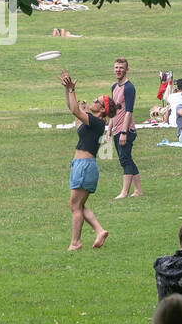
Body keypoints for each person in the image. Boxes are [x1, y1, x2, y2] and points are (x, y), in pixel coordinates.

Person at [60, 71, 112, 250]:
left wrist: (73, 89)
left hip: (84, 166)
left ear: (103, 109)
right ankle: (99, 230)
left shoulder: (97, 123)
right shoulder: (92, 122)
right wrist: (68, 90)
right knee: (78, 205)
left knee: (75, 206)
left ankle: (76, 242)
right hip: (82, 166)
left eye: (97, 101)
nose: (94, 101)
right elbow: (73, 109)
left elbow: (76, 109)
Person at [110, 58, 143, 198]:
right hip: (116, 129)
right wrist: (109, 128)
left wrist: (124, 132)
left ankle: (124, 192)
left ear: (127, 70)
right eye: (116, 67)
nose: (118, 70)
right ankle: (138, 190)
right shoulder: (114, 87)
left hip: (126, 130)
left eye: (121, 68)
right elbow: (113, 110)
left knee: (124, 160)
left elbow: (129, 111)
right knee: (127, 158)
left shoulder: (129, 88)